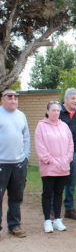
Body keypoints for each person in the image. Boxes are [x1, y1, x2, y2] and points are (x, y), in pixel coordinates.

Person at [35, 101, 73, 233]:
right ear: (47, 112)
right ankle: (47, 220)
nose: (56, 113)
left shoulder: (64, 126)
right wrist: (52, 161)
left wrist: (67, 158)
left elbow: (70, 144)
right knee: (47, 193)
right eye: (53, 110)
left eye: (57, 111)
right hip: (49, 167)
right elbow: (40, 147)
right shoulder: (41, 126)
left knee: (58, 193)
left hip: (63, 167)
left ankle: (57, 219)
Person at [0, 89, 30, 238]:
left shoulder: (21, 116)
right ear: (2, 99)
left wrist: (25, 157)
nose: (13, 100)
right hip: (1, 163)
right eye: (9, 97)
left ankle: (14, 225)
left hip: (19, 164)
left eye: (16, 97)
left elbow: (26, 137)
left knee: (16, 197)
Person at [59, 87, 76, 220]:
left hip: (73, 152)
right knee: (56, 181)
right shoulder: (58, 111)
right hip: (58, 152)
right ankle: (53, 209)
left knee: (71, 182)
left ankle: (69, 209)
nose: (75, 101)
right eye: (73, 98)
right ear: (66, 99)